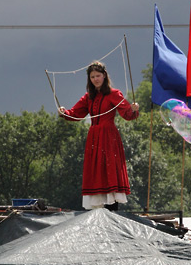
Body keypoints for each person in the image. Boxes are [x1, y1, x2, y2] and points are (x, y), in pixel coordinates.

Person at [58, 60, 139, 211]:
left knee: (109, 171)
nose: (95, 79)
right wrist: (64, 112)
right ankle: (99, 210)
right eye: (92, 76)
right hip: (94, 138)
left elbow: (127, 113)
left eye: (98, 75)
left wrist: (134, 109)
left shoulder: (114, 94)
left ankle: (112, 209)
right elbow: (76, 113)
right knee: (97, 173)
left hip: (109, 137)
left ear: (104, 76)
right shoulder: (88, 97)